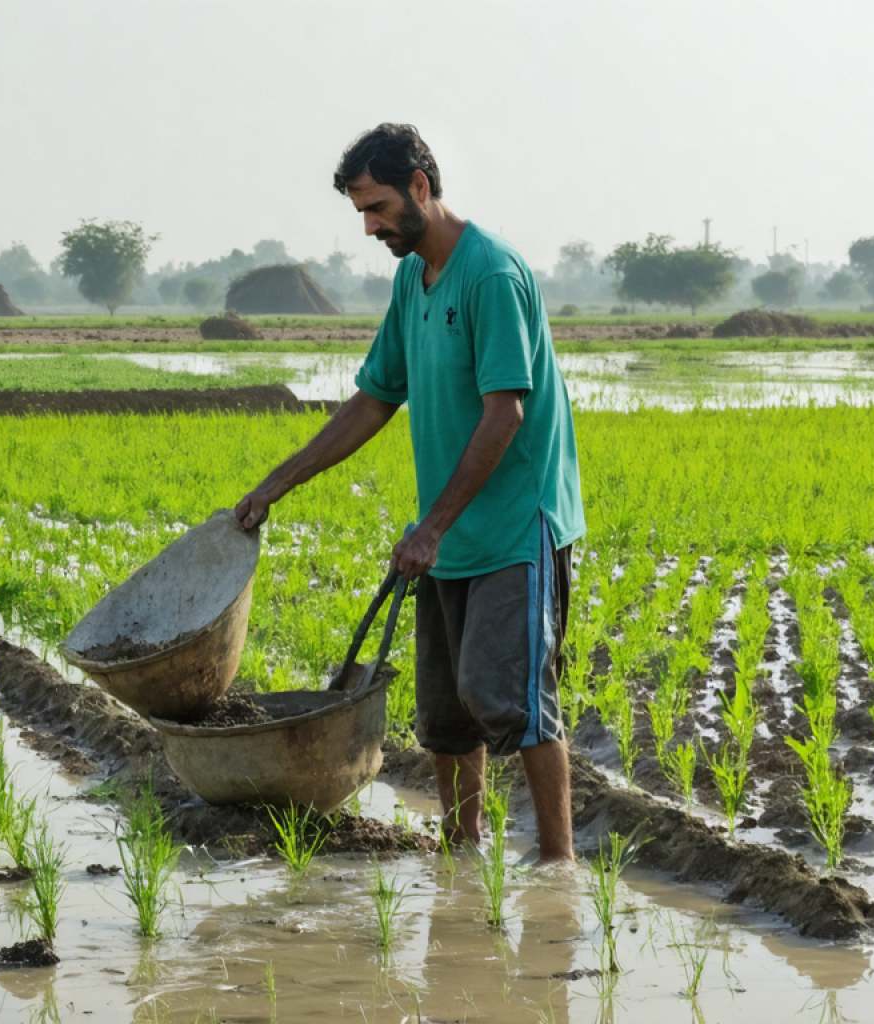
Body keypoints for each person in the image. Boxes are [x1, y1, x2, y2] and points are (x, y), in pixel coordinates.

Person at [233, 123, 585, 863]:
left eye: (378, 206)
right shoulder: (411, 279)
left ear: (421, 186)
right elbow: (372, 400)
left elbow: (505, 412)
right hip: (449, 533)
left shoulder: (488, 274)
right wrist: (277, 484)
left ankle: (558, 865)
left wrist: (432, 526)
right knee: (446, 714)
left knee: (511, 701)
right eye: (361, 211)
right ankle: (464, 851)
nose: (369, 227)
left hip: (515, 525)